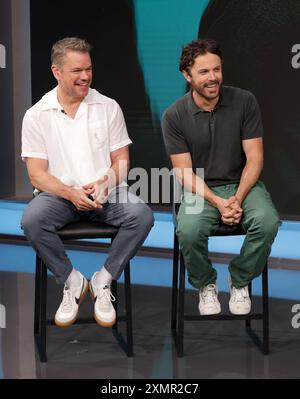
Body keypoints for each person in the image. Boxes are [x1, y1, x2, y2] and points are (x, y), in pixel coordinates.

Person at [21, 37, 154, 328]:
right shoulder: (36, 115)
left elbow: (121, 160)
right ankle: (72, 282)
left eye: (89, 69)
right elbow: (37, 174)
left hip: (105, 193)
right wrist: (70, 193)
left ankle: (102, 282)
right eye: (76, 71)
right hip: (59, 196)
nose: (85, 77)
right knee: (32, 220)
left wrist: (105, 181)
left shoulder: (108, 107)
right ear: (57, 72)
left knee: (141, 215)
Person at [162, 38, 280, 316]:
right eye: (204, 72)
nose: (213, 78)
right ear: (186, 75)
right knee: (188, 231)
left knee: (268, 222)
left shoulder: (244, 101)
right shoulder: (174, 116)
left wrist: (237, 198)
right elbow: (183, 173)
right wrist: (217, 201)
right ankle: (206, 284)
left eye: (217, 69)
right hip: (201, 189)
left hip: (243, 187)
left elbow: (255, 158)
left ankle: (239, 279)